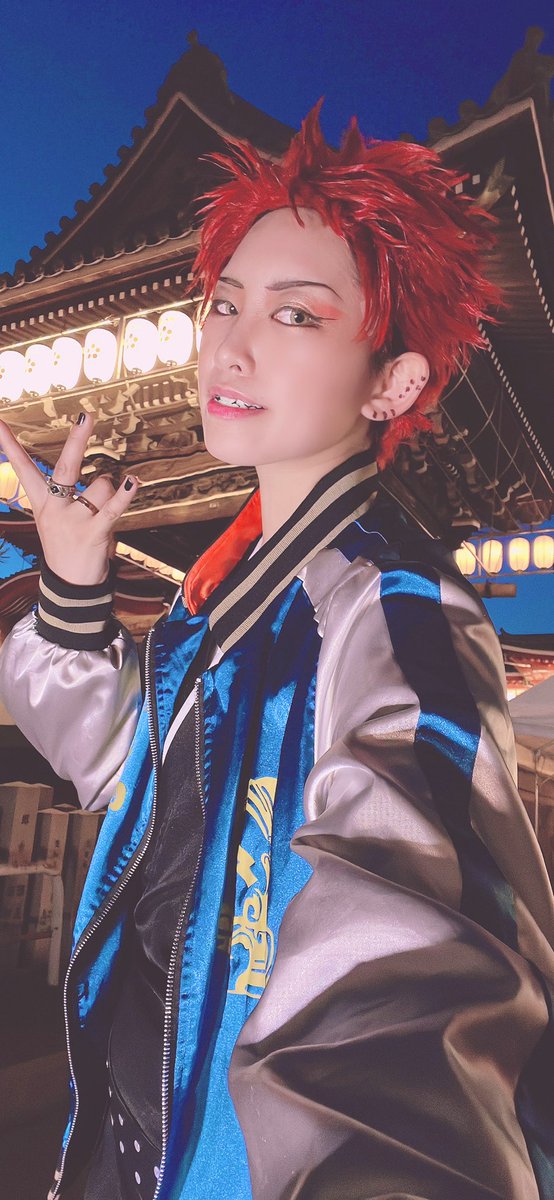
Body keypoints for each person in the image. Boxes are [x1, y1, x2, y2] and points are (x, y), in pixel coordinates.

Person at [0, 103, 553, 1200]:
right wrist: (70, 583)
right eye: (223, 303)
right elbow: (125, 775)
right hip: (131, 1141)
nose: (230, 346)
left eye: (296, 314)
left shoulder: (394, 611)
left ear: (393, 382)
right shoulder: (228, 601)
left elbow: (411, 985)